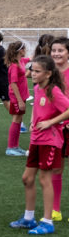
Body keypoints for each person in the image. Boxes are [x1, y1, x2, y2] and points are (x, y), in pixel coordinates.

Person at [9, 56, 69, 235]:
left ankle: (48, 222)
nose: (32, 74)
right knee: (27, 178)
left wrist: (51, 122)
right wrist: (34, 122)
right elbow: (39, 110)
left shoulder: (54, 90)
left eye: (37, 71)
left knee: (44, 179)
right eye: (32, 70)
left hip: (50, 141)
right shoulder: (37, 88)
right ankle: (28, 218)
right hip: (36, 140)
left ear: (48, 74)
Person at [49, 37, 69, 220]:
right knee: (57, 169)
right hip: (54, 128)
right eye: (54, 50)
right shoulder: (49, 74)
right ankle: (56, 210)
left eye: (60, 50)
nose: (56, 53)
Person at [5, 41, 30, 157]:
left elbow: (31, 58)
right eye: (24, 48)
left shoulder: (21, 61)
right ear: (20, 50)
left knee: (19, 120)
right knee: (16, 119)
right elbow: (13, 84)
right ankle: (10, 148)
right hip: (17, 97)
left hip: (22, 96)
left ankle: (15, 146)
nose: (26, 51)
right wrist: (19, 100)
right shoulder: (14, 66)